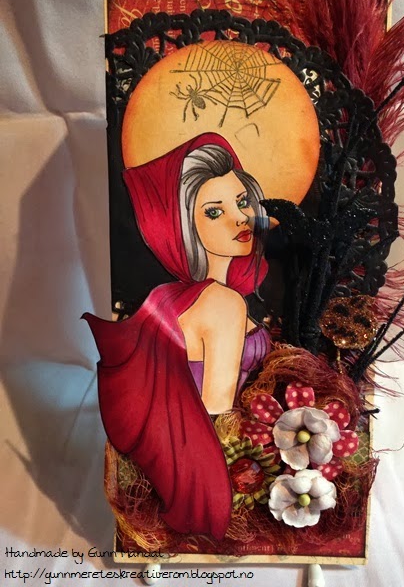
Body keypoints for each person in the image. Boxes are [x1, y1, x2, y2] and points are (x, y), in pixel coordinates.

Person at [83, 133, 270, 540]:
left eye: (242, 202)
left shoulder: (180, 298)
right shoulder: (222, 304)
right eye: (214, 212)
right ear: (183, 227)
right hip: (219, 470)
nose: (240, 218)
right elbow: (218, 414)